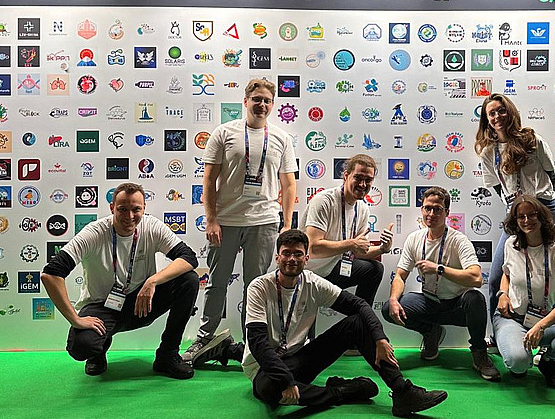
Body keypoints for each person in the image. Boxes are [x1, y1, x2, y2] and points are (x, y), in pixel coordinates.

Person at [244, 229, 448, 418]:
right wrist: (286, 380)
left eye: (298, 254)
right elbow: (257, 343)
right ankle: (344, 391)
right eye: (286, 253)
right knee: (269, 389)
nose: (291, 259)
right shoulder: (259, 287)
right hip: (265, 368)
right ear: (277, 257)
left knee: (357, 323)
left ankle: (402, 391)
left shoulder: (312, 283)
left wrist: (380, 338)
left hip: (298, 359)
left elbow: (359, 305)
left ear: (306, 258)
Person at [184, 78, 297, 366]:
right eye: (256, 99)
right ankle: (204, 337)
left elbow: (289, 184)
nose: (261, 105)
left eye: (267, 101)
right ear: (245, 101)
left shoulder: (281, 138)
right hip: (227, 221)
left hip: (264, 222)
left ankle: (252, 343)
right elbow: (208, 180)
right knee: (216, 282)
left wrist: (286, 224)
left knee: (255, 286)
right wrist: (211, 219)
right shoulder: (224, 133)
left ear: (273, 105)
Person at [40, 182, 199, 379]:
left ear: (144, 209)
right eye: (122, 209)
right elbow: (51, 274)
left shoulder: (151, 226)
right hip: (103, 306)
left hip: (141, 303)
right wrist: (75, 319)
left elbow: (189, 258)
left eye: (136, 209)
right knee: (82, 346)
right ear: (112, 207)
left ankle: (167, 356)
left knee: (188, 280)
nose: (129, 216)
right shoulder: (94, 233)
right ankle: (97, 353)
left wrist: (152, 281)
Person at [382, 187, 500, 381]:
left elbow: (476, 278)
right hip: (429, 302)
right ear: (422, 210)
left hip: (457, 306)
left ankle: (480, 353)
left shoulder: (458, 240)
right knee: (389, 308)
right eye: (427, 208)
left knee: (475, 299)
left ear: (447, 212)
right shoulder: (414, 239)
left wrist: (439, 269)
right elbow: (400, 276)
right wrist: (394, 299)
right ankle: (431, 332)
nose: (431, 214)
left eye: (437, 209)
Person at [492, 195, 555, 389]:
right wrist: (502, 294)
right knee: (518, 363)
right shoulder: (511, 244)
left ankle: (549, 360)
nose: (526, 220)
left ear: (542, 217)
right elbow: (506, 273)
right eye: (521, 216)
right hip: (513, 318)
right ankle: (522, 356)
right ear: (515, 221)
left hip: (545, 320)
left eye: (532, 215)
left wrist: (541, 326)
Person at [474, 93, 555, 300]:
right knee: (496, 278)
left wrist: (538, 201)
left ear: (510, 112)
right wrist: (516, 205)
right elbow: (497, 187)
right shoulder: (488, 153)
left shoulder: (532, 140)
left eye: (501, 110)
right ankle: (498, 321)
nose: (497, 116)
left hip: (545, 207)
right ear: (486, 119)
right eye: (492, 113)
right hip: (516, 213)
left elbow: (550, 174)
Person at [302, 154, 393, 307]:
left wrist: (383, 249)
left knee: (375, 269)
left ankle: (361, 317)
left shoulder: (362, 208)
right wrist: (351, 244)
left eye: (368, 180)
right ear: (346, 176)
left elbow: (358, 252)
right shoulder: (324, 201)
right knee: (306, 325)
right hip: (310, 273)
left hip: (335, 268)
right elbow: (313, 249)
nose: (363, 184)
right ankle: (361, 315)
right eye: (358, 178)